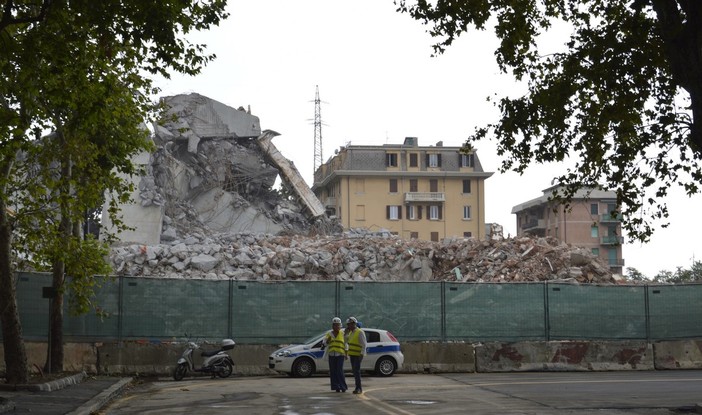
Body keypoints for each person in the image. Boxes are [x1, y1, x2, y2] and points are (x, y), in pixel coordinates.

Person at [322, 317, 347, 392]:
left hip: (340, 354)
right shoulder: (328, 334)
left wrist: (346, 354)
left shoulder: (342, 334)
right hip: (332, 355)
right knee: (333, 371)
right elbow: (324, 344)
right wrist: (328, 341)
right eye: (335, 325)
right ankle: (336, 387)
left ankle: (343, 387)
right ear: (332, 326)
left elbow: (346, 344)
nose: (337, 327)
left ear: (340, 325)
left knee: (339, 370)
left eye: (338, 325)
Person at [344, 316, 366, 394]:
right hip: (352, 355)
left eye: (349, 324)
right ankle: (357, 387)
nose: (348, 326)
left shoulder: (360, 332)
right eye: (348, 324)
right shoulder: (350, 333)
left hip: (357, 355)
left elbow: (364, 345)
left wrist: (362, 355)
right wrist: (346, 333)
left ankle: (359, 388)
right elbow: (346, 341)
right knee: (355, 371)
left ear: (354, 324)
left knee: (357, 372)